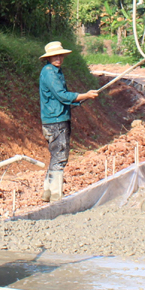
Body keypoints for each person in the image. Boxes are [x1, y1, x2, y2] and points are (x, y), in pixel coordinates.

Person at [39, 41, 98, 202]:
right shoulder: (50, 73)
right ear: (49, 58)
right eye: (54, 56)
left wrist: (80, 99)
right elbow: (63, 96)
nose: (58, 58)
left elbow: (63, 97)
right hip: (56, 121)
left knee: (55, 155)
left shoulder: (54, 71)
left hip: (54, 118)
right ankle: (57, 194)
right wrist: (85, 95)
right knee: (60, 157)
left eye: (60, 55)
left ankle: (47, 191)